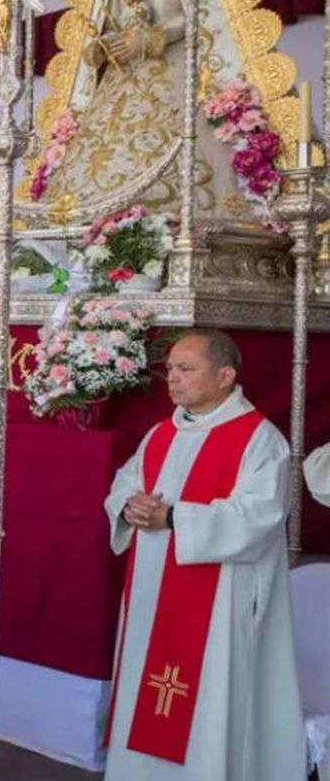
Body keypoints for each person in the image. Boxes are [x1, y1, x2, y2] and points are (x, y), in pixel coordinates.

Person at [101, 330, 303, 781]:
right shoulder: (161, 432)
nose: (172, 378)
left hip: (222, 601)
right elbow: (125, 481)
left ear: (226, 376)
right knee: (151, 688)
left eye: (186, 369)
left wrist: (174, 519)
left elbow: (260, 515)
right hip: (154, 595)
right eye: (170, 368)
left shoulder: (259, 439)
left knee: (210, 698)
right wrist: (128, 505)